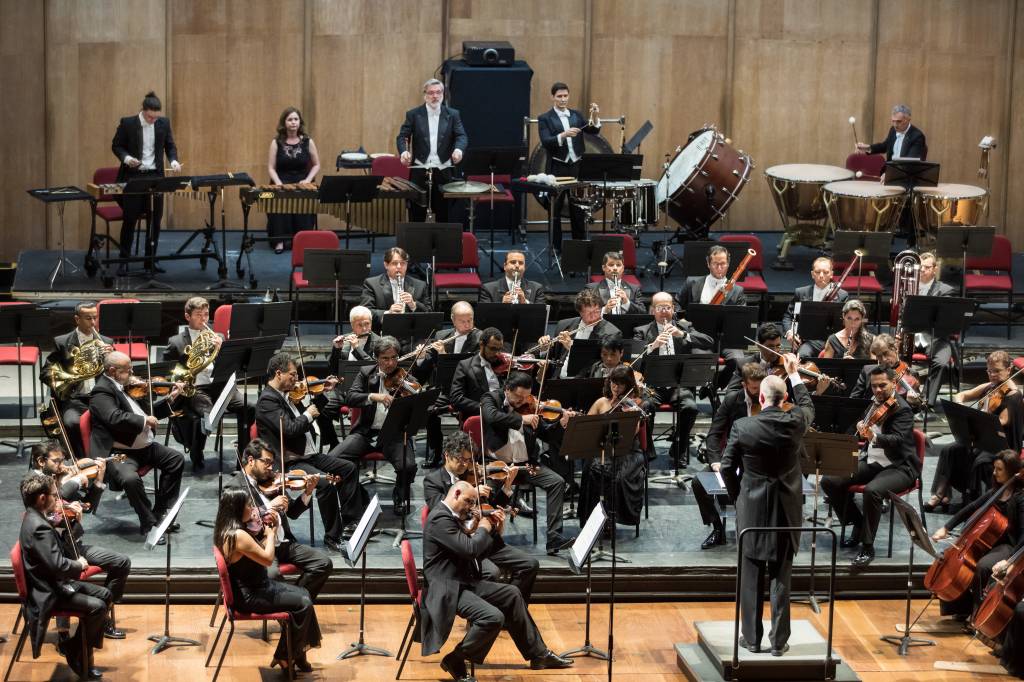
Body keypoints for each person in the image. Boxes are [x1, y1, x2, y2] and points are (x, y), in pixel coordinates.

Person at [419, 481, 572, 680]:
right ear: (456, 493)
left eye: (474, 503)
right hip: (446, 588)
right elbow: (470, 549)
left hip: (461, 582)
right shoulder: (440, 518)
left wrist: (489, 529)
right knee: (493, 617)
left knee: (512, 594)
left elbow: (470, 545)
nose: (471, 508)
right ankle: (456, 658)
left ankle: (538, 654)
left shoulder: (451, 516)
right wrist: (483, 526)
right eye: (468, 501)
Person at [720, 353, 812, 656]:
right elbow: (808, 406)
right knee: (781, 576)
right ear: (784, 397)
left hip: (752, 508)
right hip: (787, 508)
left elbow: (725, 467)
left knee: (751, 574)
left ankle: (751, 638)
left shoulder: (743, 426)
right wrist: (794, 373)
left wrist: (738, 496)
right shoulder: (796, 421)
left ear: (760, 396)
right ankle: (778, 642)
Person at [255, 351, 365, 552]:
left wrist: (322, 394)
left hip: (308, 454)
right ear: (278, 374)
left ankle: (351, 524)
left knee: (348, 468)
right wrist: (307, 414)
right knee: (325, 483)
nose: (297, 380)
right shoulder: (267, 401)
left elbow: (315, 412)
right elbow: (290, 429)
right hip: (289, 461)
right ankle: (333, 537)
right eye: (292, 375)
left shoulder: (289, 395)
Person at [30, 440, 130, 641]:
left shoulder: (59, 478)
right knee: (68, 575)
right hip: (53, 553)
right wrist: (76, 481)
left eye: (62, 461)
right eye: (57, 461)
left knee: (122, 562)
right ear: (41, 461)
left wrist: (99, 479)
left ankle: (102, 618)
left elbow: (89, 506)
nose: (63, 466)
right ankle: (64, 637)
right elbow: (54, 501)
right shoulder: (33, 483)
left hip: (73, 544)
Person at [422, 431, 539, 602]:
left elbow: (490, 508)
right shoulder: (433, 481)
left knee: (530, 565)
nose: (465, 464)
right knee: (491, 573)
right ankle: (482, 616)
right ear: (447, 455)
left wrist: (506, 487)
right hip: (463, 545)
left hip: (486, 541)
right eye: (460, 459)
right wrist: (471, 494)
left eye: (469, 459)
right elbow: (440, 512)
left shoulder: (474, 474)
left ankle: (510, 613)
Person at [214, 488, 321, 674]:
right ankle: (287, 656)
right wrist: (270, 534)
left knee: (305, 596)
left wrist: (264, 533)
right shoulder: (238, 536)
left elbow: (254, 553)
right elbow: (267, 559)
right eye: (248, 505)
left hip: (255, 587)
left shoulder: (226, 529)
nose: (252, 508)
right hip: (251, 595)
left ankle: (294, 654)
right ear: (238, 509)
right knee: (304, 603)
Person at [820, 366, 917, 568]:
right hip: (872, 462)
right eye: (874, 386)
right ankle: (858, 523)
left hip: (899, 466)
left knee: (873, 491)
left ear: (894, 383)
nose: (878, 390)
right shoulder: (873, 404)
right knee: (830, 481)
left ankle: (867, 546)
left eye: (883, 385)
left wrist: (875, 437)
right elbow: (860, 427)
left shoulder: (903, 409)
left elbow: (898, 440)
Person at [20, 472, 111, 680]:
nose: (58, 499)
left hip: (55, 582)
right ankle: (80, 655)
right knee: (98, 607)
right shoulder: (39, 527)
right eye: (54, 495)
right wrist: (78, 564)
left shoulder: (37, 517)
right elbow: (58, 565)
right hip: (49, 591)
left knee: (105, 595)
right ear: (42, 498)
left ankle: (76, 648)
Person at [88, 351, 185, 541]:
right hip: (120, 452)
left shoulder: (128, 386)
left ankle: (159, 513)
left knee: (176, 459)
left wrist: (170, 399)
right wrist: (144, 421)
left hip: (144, 447)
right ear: (113, 371)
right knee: (130, 480)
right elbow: (114, 418)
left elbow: (146, 412)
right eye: (127, 369)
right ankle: (148, 524)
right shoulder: (101, 392)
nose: (132, 373)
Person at [481, 371, 574, 554]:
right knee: (486, 494)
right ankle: (486, 540)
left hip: (526, 465)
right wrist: (521, 419)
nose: (523, 401)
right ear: (507, 390)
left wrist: (561, 423)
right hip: (497, 465)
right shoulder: (491, 398)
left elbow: (548, 435)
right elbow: (491, 417)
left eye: (526, 396)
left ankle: (554, 537)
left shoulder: (531, 406)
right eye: (518, 396)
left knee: (557, 482)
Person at [232, 438, 333, 601]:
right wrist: (269, 507)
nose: (271, 468)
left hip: (285, 543)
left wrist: (307, 492)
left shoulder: (272, 482)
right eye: (266, 462)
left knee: (323, 563)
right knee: (272, 576)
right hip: (261, 547)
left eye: (272, 463)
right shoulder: (235, 487)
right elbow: (237, 524)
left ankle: (296, 605)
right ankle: (296, 605)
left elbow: (293, 512)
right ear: (251, 460)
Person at [931, 450, 1024, 618]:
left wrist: (1009, 561)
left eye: (999, 469)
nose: (994, 473)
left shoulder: (1020, 498)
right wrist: (946, 527)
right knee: (952, 561)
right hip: (988, 542)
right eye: (994, 468)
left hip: (1009, 545)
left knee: (983, 566)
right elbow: (971, 508)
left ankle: (977, 614)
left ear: (1011, 471)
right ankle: (960, 608)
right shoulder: (996, 491)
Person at [163, 296, 253, 470]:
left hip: (221, 386)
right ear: (188, 316)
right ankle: (197, 452)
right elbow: (167, 371)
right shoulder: (176, 342)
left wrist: (222, 349)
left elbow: (231, 363)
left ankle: (242, 457)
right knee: (208, 416)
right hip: (196, 388)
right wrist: (177, 383)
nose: (204, 319)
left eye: (206, 315)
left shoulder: (217, 337)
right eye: (199, 315)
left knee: (249, 407)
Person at [929, 351, 1024, 511]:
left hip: (1003, 444)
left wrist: (975, 418)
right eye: (989, 371)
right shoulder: (990, 387)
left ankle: (974, 500)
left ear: (1008, 370)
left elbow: (1001, 421)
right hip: (983, 439)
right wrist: (960, 405)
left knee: (980, 459)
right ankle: (941, 494)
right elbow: (963, 395)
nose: (992, 375)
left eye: (997, 371)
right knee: (949, 449)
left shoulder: (1014, 395)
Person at [337, 336, 419, 513]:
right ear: (376, 358)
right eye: (385, 358)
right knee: (335, 459)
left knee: (408, 466)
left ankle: (400, 496)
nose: (391, 363)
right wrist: (374, 396)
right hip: (366, 433)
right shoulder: (366, 373)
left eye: (394, 357)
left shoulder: (406, 377)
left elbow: (417, 405)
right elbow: (350, 397)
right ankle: (359, 497)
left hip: (393, 435)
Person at [632, 292, 714, 461]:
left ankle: (678, 447)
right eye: (660, 308)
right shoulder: (642, 331)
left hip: (679, 385)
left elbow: (708, 341)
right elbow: (633, 360)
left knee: (690, 407)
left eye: (668, 307)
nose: (664, 311)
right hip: (652, 387)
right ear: (652, 310)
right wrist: (653, 346)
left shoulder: (684, 327)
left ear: (673, 309)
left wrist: (683, 335)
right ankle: (649, 449)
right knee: (644, 407)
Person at [693, 363, 767, 550]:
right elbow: (714, 434)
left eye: (762, 387)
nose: (759, 393)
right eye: (754, 388)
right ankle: (718, 529)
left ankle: (761, 529)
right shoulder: (732, 400)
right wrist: (716, 461)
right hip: (735, 458)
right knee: (698, 482)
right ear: (744, 385)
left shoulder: (771, 399)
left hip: (761, 461)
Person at [110, 91, 181, 273]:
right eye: (150, 117)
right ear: (143, 110)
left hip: (155, 177)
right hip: (134, 176)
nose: (153, 121)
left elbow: (170, 146)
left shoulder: (163, 123)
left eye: (156, 118)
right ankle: (124, 260)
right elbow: (116, 145)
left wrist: (173, 160)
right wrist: (126, 159)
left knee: (155, 220)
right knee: (130, 219)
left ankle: (150, 260)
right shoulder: (128, 123)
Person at [40, 301, 113, 457]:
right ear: (77, 319)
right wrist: (69, 378)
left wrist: (111, 358)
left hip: (100, 396)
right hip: (74, 398)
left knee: (112, 420)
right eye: (88, 318)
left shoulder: (106, 342)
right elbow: (46, 372)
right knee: (72, 423)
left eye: (95, 317)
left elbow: (117, 374)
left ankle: (103, 460)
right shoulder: (62, 342)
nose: (93, 322)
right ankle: (80, 459)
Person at [412, 301, 481, 465]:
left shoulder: (480, 338)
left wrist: (443, 355)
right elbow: (427, 368)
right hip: (445, 389)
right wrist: (421, 358)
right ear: (453, 320)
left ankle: (468, 452)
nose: (467, 324)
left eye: (470, 320)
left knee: (471, 413)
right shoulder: (442, 336)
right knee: (428, 409)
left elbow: (472, 370)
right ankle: (436, 452)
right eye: (462, 321)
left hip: (468, 390)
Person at [537, 81, 601, 252]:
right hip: (557, 168)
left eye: (565, 96)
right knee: (555, 211)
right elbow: (546, 142)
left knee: (578, 209)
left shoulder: (576, 115)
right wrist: (564, 135)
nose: (563, 99)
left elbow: (593, 131)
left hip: (577, 168)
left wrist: (594, 116)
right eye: (559, 96)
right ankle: (555, 248)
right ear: (553, 97)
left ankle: (578, 247)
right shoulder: (545, 118)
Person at [580, 366, 647, 527]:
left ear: (629, 385)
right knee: (592, 470)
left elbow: (632, 433)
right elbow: (585, 426)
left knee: (619, 478)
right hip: (604, 450)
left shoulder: (634, 404)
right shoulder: (601, 402)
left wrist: (630, 416)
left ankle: (613, 518)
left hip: (628, 451)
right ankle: (594, 521)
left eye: (621, 385)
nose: (616, 388)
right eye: (613, 383)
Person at [677, 244, 747, 389]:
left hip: (726, 339)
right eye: (716, 264)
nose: (720, 268)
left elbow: (742, 317)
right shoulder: (692, 282)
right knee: (697, 360)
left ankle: (714, 386)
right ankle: (690, 397)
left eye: (723, 264)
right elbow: (676, 304)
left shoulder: (737, 290)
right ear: (708, 263)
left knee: (739, 361)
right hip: (698, 337)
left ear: (728, 264)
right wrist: (682, 321)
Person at [397, 78, 468, 223]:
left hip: (444, 169)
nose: (435, 96)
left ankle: (442, 245)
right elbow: (402, 136)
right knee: (417, 212)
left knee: (444, 213)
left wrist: (459, 150)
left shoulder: (453, 114)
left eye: (438, 92)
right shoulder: (413, 114)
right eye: (431, 93)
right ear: (425, 95)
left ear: (443, 94)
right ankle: (416, 244)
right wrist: (404, 151)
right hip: (420, 168)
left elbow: (461, 135)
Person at [266, 107, 321, 253]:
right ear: (284, 123)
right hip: (281, 181)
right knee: (276, 205)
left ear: (300, 122)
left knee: (304, 206)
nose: (293, 122)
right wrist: (278, 182)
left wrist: (308, 180)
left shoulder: (308, 142)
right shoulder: (276, 142)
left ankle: (302, 241)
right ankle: (279, 241)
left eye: (296, 119)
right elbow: (271, 168)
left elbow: (316, 165)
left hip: (302, 181)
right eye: (290, 119)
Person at [540, 289, 621, 380]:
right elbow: (554, 357)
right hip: (557, 380)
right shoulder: (564, 325)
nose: (594, 316)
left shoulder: (611, 332)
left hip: (587, 382)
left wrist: (573, 348)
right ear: (580, 312)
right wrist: (545, 349)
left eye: (597, 311)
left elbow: (604, 363)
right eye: (589, 313)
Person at [912, 251, 958, 407]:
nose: (922, 270)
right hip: (910, 337)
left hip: (936, 338)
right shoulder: (908, 286)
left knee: (942, 362)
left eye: (926, 267)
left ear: (934, 268)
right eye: (920, 267)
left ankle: (925, 401)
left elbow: (947, 321)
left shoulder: (945, 290)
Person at [781, 256, 848, 358]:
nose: (821, 275)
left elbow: (846, 323)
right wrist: (790, 333)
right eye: (817, 272)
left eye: (826, 272)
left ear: (831, 274)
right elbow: (789, 316)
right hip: (809, 341)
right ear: (812, 274)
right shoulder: (801, 293)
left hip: (834, 341)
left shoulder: (842, 295)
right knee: (802, 356)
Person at [358, 247, 431, 325]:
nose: (399, 267)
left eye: (403, 263)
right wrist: (388, 313)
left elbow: (430, 313)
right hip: (383, 333)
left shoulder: (420, 285)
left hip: (410, 332)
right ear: (386, 265)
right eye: (395, 263)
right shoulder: (371, 284)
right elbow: (365, 311)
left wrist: (413, 305)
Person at [450, 327, 509, 421]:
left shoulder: (505, 365)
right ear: (481, 344)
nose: (497, 354)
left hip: (505, 415)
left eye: (500, 349)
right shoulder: (465, 365)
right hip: (480, 417)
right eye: (493, 349)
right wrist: (484, 408)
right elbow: (456, 399)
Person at [848, 334, 923, 408]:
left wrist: (914, 404)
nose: (883, 359)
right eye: (879, 356)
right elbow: (854, 399)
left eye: (886, 353)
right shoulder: (867, 371)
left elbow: (916, 409)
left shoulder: (911, 374)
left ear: (895, 348)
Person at [856, 104, 927, 162]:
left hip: (905, 175)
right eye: (893, 121)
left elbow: (910, 163)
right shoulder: (893, 130)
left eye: (899, 121)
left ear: (908, 120)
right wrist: (867, 147)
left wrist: (890, 173)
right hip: (890, 170)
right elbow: (885, 146)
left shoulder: (917, 136)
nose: (895, 125)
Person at [585, 250, 644, 315]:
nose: (615, 268)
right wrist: (605, 310)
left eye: (618, 265)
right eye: (611, 265)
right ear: (604, 267)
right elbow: (586, 312)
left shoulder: (634, 289)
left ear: (623, 268)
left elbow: (642, 313)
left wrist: (626, 302)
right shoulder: (591, 288)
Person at [479, 251, 546, 305]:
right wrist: (501, 305)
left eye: (521, 263)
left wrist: (525, 302)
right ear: (505, 266)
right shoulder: (488, 289)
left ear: (524, 267)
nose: (517, 265)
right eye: (513, 262)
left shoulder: (537, 288)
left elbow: (539, 316)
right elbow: (484, 317)